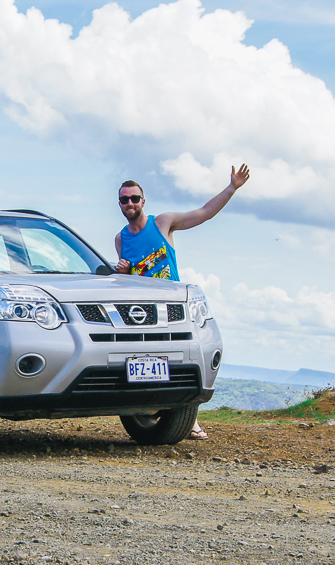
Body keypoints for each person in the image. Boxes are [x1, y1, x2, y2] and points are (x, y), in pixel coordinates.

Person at [114, 163, 251, 439]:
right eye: (124, 199)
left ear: (143, 201)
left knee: (181, 360)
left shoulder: (162, 223)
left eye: (134, 198)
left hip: (173, 308)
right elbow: (128, 280)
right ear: (120, 203)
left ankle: (189, 420)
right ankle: (153, 417)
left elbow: (203, 213)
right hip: (142, 313)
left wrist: (232, 187)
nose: (129, 203)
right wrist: (122, 272)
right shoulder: (120, 239)